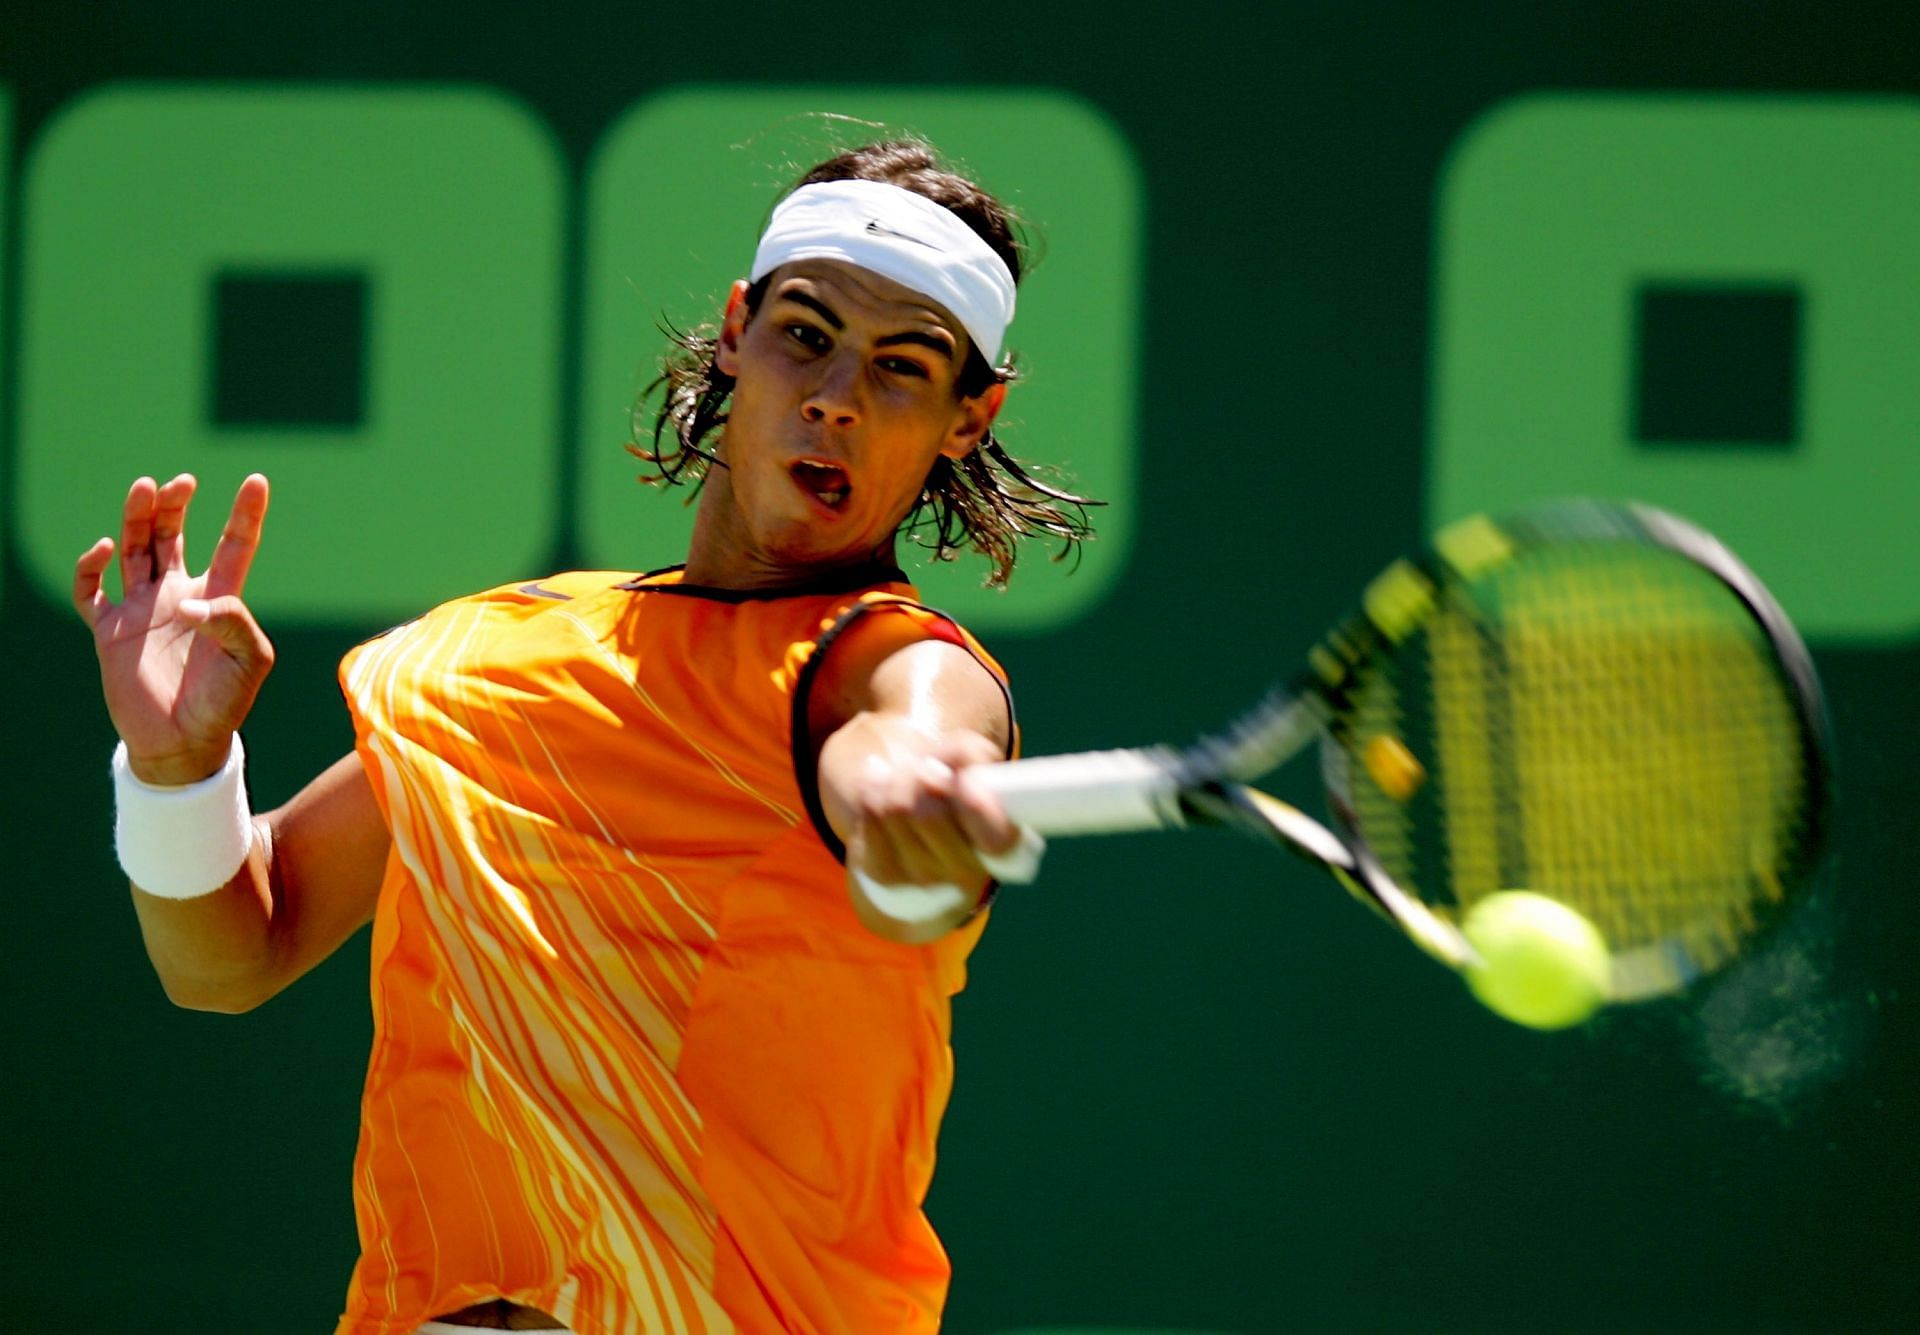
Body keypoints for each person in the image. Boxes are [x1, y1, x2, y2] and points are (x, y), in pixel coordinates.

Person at [72, 141, 1096, 1334]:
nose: (836, 397)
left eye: (902, 369)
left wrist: (913, 793)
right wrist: (176, 770)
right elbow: (232, 956)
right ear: (735, 330)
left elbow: (914, 738)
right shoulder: (495, 663)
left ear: (972, 418)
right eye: (805, 336)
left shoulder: (892, 666)